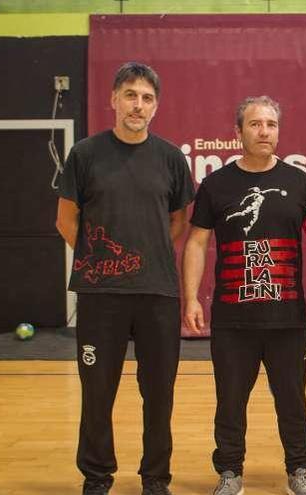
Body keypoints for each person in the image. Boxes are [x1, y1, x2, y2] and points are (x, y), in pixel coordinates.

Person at [55, 62, 195, 495]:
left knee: (159, 397)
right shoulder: (85, 154)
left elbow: (178, 224)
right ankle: (97, 478)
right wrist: (104, 262)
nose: (138, 105)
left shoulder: (171, 158)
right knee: (97, 395)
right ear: (113, 100)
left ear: (156, 106)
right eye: (131, 95)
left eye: (147, 98)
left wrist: (141, 259)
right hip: (101, 297)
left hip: (157, 294)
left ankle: (155, 478)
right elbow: (65, 221)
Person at [182, 96, 306, 495]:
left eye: (271, 124)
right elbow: (196, 243)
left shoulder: (299, 182)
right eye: (255, 124)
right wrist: (190, 298)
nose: (264, 131)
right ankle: (229, 472)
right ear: (237, 132)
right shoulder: (216, 185)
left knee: (292, 401)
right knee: (229, 402)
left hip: (288, 319)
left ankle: (299, 470)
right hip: (232, 320)